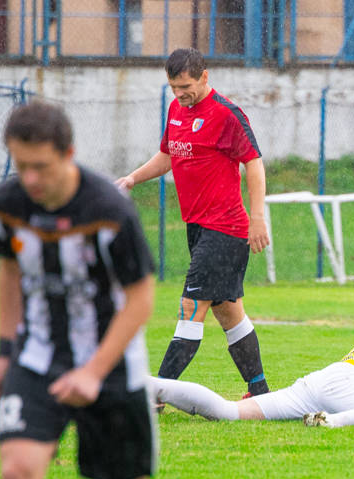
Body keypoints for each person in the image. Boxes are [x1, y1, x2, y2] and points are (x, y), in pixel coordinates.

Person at [0, 101, 161, 479]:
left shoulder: (109, 210)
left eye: (41, 167)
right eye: (21, 166)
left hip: (111, 365)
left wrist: (94, 371)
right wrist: (4, 354)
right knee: (16, 473)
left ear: (69, 153)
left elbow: (140, 299)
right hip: (36, 357)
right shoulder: (4, 206)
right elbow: (11, 273)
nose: (32, 179)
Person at [116, 47, 271, 399]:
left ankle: (154, 395)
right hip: (198, 228)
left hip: (226, 228)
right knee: (229, 312)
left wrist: (257, 217)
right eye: (173, 88)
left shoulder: (226, 114)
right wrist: (132, 179)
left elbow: (254, 163)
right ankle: (260, 390)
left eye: (185, 86)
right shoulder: (176, 110)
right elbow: (168, 155)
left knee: (192, 307)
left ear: (204, 76)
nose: (180, 94)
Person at [149, 307, 354, 427]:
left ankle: (151, 384)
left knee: (229, 412)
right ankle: (330, 422)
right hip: (350, 388)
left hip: (326, 379)